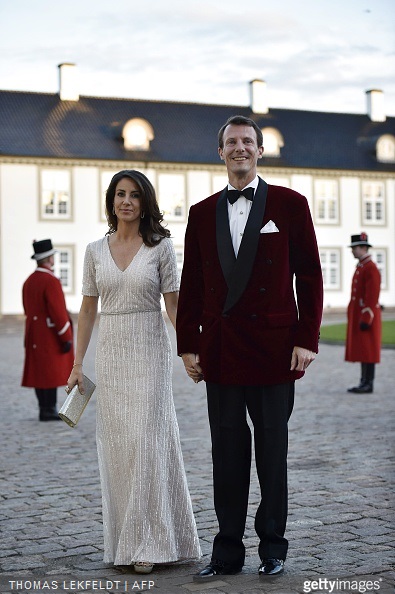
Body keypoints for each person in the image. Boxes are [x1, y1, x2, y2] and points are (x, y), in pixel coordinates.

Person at [176, 115, 323, 580]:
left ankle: (273, 547)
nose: (240, 149)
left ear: (260, 150)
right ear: (220, 152)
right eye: (231, 143)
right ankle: (226, 552)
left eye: (247, 142)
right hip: (220, 351)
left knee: (272, 454)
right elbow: (192, 285)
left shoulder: (291, 204)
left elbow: (311, 276)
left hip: (276, 349)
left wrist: (308, 339)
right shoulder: (201, 213)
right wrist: (187, 346)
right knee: (226, 453)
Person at [67, 170, 201, 573]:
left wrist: (188, 351)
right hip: (111, 354)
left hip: (149, 350)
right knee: (120, 447)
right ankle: (125, 538)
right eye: (120, 194)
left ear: (145, 203)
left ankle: (148, 542)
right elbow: (87, 310)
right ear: (112, 201)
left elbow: (174, 306)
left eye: (134, 195)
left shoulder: (161, 248)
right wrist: (77, 364)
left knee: (147, 441)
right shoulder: (94, 250)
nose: (126, 201)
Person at [22, 239, 74, 421]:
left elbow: (27, 309)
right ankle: (49, 409)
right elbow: (58, 312)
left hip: (34, 333)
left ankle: (43, 408)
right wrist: (66, 336)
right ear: (49, 259)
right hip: (50, 334)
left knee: (39, 371)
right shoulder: (50, 280)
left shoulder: (29, 281)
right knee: (50, 372)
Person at [345, 232, 381, 394]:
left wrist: (367, 316)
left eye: (354, 248)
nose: (352, 251)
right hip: (360, 313)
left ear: (362, 248)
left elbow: (372, 295)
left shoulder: (370, 268)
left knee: (368, 349)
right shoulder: (362, 267)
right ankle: (364, 381)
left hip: (367, 316)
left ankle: (368, 383)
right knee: (363, 349)